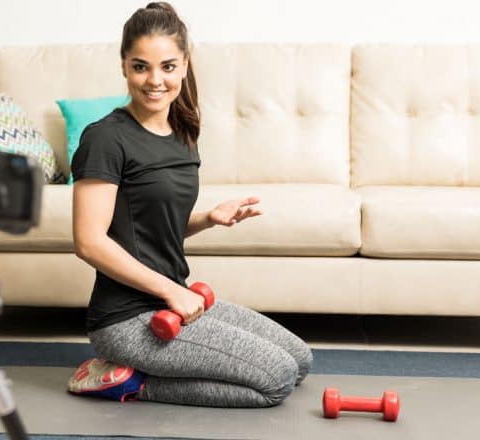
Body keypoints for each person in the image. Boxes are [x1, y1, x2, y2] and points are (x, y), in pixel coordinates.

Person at [67, 2, 313, 407]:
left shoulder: (182, 133)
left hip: (175, 302)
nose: (154, 80)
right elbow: (90, 242)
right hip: (127, 319)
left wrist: (206, 219)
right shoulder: (106, 139)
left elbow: (142, 229)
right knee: (277, 381)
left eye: (167, 66)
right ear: (124, 66)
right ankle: (125, 380)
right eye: (140, 66)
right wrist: (171, 291)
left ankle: (139, 370)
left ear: (184, 65)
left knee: (300, 361)